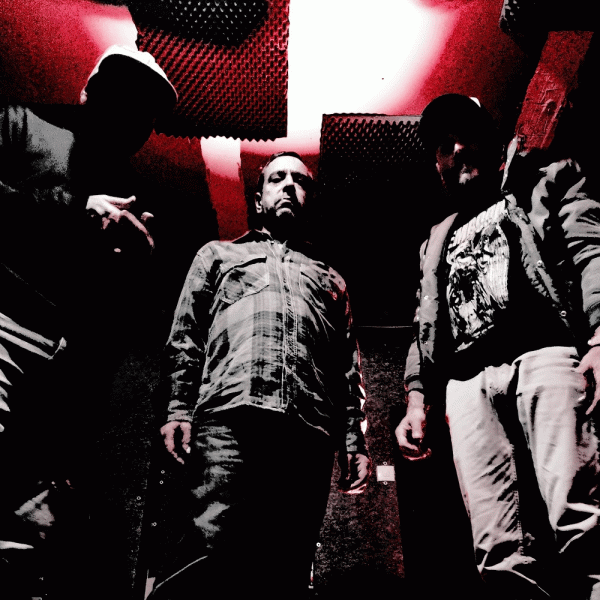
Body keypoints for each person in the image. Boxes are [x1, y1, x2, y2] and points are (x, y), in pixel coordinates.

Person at [396, 93, 600, 600]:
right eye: (444, 145)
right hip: (468, 383)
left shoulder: (545, 180)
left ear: (494, 141)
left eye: (468, 136)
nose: (458, 149)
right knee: (497, 552)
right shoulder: (435, 240)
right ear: (437, 165)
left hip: (544, 352)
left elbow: (591, 252)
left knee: (581, 520)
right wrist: (417, 400)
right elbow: (424, 324)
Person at [150, 152, 370, 600]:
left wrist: (354, 441)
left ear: (310, 198)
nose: (289, 186)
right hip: (229, 418)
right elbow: (186, 336)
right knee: (207, 548)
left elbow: (346, 367)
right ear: (258, 198)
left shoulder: (332, 280)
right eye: (277, 178)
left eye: (300, 181)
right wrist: (177, 408)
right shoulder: (217, 255)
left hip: (307, 430)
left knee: (285, 566)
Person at [0, 45, 177, 598]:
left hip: (64, 372)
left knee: (32, 531)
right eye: (121, 99)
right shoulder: (20, 125)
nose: (132, 119)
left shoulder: (135, 195)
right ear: (87, 94)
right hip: (6, 324)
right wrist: (76, 209)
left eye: (145, 114)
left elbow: (118, 325)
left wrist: (136, 268)